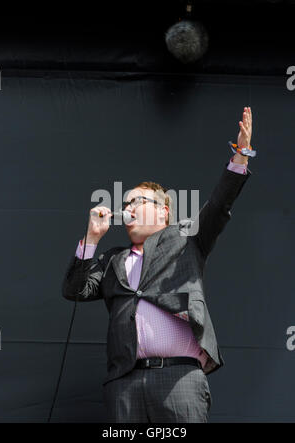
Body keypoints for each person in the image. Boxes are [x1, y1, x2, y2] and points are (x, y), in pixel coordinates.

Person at [62, 107, 253, 423]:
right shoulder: (113, 259)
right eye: (126, 205)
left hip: (177, 379)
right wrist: (91, 240)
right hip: (125, 383)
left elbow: (220, 204)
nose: (129, 209)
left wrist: (242, 154)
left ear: (164, 212)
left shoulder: (186, 238)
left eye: (137, 201)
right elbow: (74, 290)